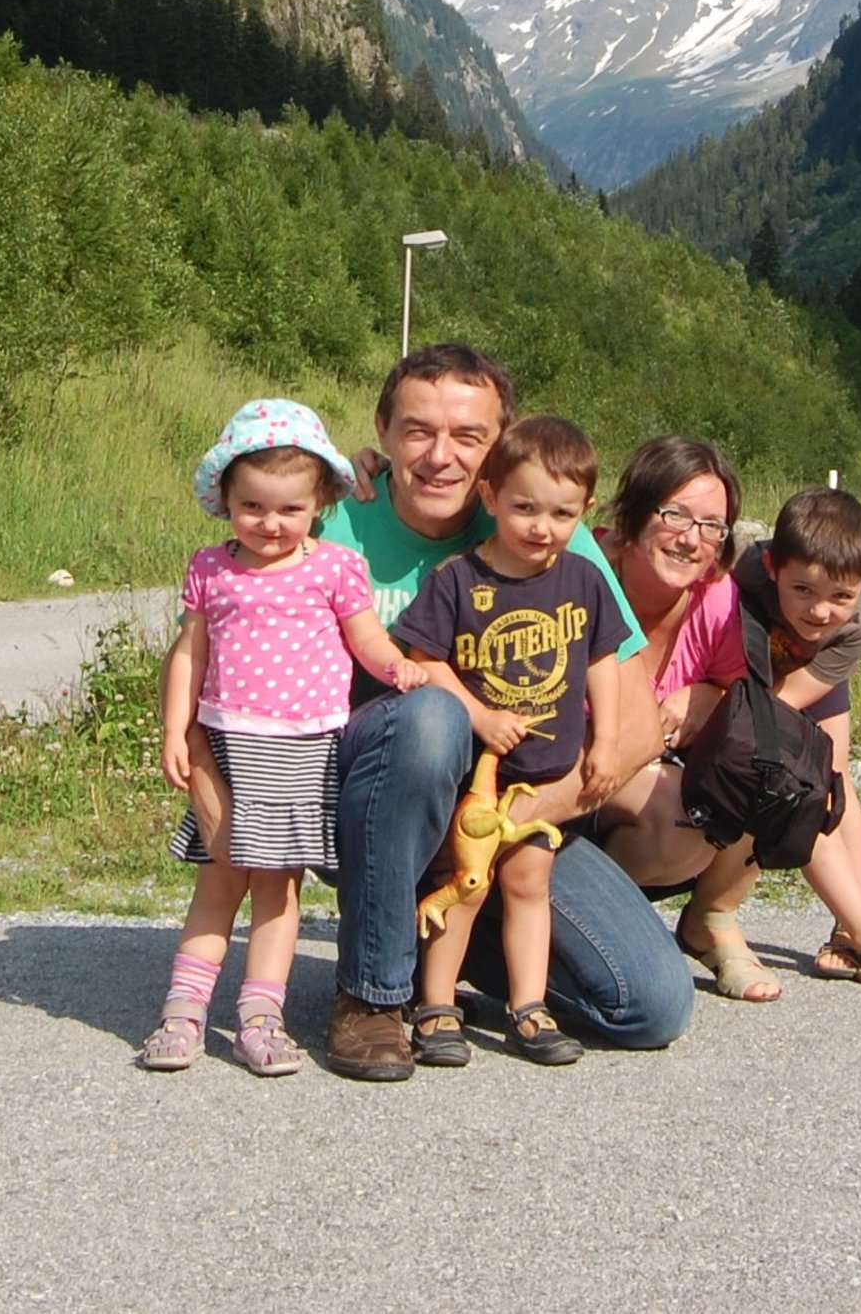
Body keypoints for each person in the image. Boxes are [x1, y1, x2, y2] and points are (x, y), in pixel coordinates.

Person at [317, 344, 690, 1082]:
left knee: (649, 1004)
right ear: (382, 433)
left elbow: (640, 722)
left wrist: (507, 825)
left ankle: (439, 949)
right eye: (417, 431)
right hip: (376, 803)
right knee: (431, 715)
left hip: (513, 814)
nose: (439, 456)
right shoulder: (332, 520)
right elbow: (225, 655)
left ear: (499, 451)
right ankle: (372, 993)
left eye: (468, 436)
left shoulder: (548, 531)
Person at [598, 451, 861, 994]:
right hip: (747, 673)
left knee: (819, 776)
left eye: (710, 525)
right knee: (769, 763)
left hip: (805, 673)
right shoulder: (742, 573)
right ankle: (854, 928)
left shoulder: (853, 624)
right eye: (676, 515)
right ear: (772, 569)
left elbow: (780, 709)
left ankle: (852, 927)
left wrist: (719, 703)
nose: (821, 608)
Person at [141, 398, 427, 1078]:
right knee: (218, 882)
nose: (270, 524)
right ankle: (183, 1012)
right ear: (226, 500)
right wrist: (175, 727)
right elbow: (190, 652)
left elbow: (366, 638)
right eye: (253, 507)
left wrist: (398, 667)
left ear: (319, 501)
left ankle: (260, 1017)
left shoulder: (334, 568)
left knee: (277, 889)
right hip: (227, 745)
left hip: (301, 750)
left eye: (289, 509)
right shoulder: (211, 568)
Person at [393, 415, 633, 1067]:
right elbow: (425, 659)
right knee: (466, 884)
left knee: (529, 883)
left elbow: (603, 660)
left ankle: (529, 1006)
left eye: (561, 513)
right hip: (479, 777)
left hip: (546, 777)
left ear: (585, 511)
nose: (541, 527)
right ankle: (436, 1004)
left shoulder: (583, 578)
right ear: (490, 496)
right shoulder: (458, 579)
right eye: (525, 507)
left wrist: (606, 741)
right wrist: (478, 716)